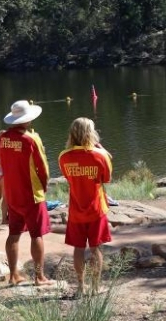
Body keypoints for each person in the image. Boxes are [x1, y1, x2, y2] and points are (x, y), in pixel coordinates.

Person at [0, 100, 53, 286]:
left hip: (12, 193)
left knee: (13, 233)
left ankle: (13, 275)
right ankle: (39, 277)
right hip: (31, 194)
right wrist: (44, 187)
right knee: (36, 234)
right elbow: (43, 168)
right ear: (27, 119)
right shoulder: (31, 139)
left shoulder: (2, 138)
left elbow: (2, 161)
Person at [58, 117, 113, 296]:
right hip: (96, 209)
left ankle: (81, 287)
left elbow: (68, 178)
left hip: (75, 210)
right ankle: (96, 287)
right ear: (91, 133)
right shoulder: (100, 155)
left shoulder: (64, 156)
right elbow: (107, 178)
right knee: (95, 248)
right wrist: (101, 148)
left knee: (78, 248)